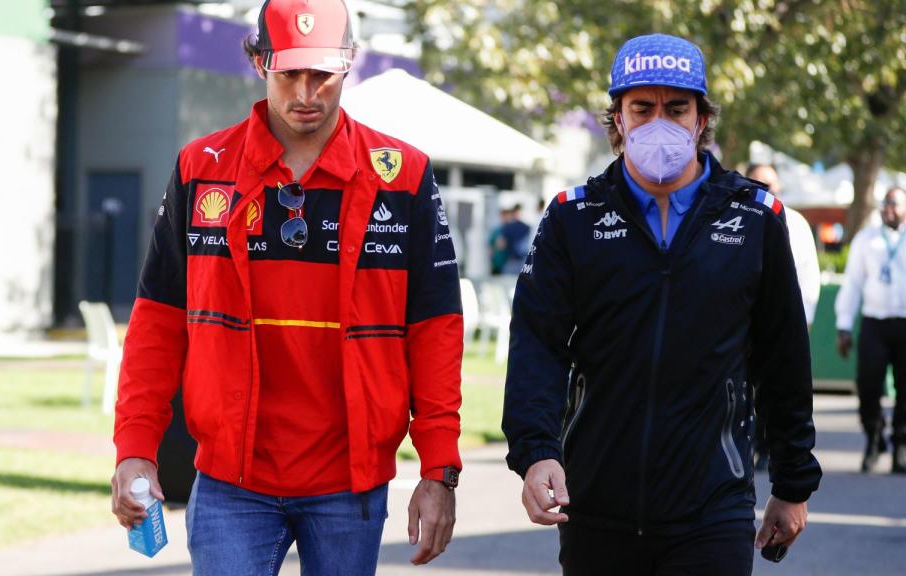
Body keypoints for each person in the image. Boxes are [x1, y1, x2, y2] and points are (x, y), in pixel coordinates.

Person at [109, 0, 465, 573]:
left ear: (351, 62)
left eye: (322, 74)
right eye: (288, 73)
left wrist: (439, 469)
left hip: (351, 481)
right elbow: (157, 322)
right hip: (231, 481)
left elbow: (435, 333)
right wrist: (135, 450)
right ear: (257, 61)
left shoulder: (405, 175)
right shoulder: (201, 167)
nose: (306, 93)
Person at [502, 34, 822, 576]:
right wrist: (536, 452)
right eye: (641, 108)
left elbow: (783, 357)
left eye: (676, 109)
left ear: (701, 120)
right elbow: (537, 345)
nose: (659, 123)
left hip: (712, 507)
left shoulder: (754, 220)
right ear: (618, 120)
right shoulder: (571, 219)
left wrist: (792, 485)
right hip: (596, 506)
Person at [746, 163, 821, 471]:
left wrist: (803, 320)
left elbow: (807, 275)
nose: (767, 189)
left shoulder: (796, 223)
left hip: (779, 321)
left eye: (771, 183)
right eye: (760, 183)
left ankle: (768, 447)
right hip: (743, 321)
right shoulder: (734, 216)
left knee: (774, 386)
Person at [835, 186, 906, 474]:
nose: (888, 208)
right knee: (868, 384)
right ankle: (873, 437)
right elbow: (852, 283)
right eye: (885, 203)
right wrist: (844, 325)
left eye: (895, 204)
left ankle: (901, 443)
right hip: (874, 322)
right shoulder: (867, 240)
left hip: (904, 321)